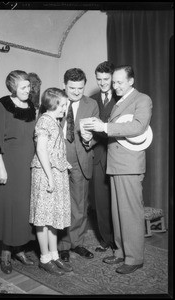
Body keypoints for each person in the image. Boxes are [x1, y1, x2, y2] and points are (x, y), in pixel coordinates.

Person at [82, 65, 152, 274]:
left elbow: (138, 126)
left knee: (130, 213)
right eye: (114, 82)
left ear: (131, 81)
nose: (115, 86)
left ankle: (134, 258)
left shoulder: (142, 99)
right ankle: (121, 252)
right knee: (118, 212)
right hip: (115, 164)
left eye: (120, 82)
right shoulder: (119, 102)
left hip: (129, 164)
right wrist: (91, 135)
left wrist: (104, 127)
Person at [0, 70, 36, 274]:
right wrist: (1, 169)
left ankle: (20, 249)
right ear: (13, 88)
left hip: (28, 165)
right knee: (9, 209)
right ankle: (5, 253)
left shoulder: (32, 107)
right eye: (23, 87)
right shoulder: (2, 106)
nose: (28, 90)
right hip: (8, 165)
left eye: (28, 86)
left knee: (24, 209)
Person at [29, 88, 73, 276]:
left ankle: (54, 255)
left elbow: (54, 148)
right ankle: (44, 258)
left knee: (53, 218)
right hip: (47, 173)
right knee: (43, 220)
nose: (65, 108)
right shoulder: (45, 121)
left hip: (56, 172)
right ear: (54, 104)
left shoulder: (54, 120)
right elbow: (41, 150)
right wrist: (50, 176)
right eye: (63, 105)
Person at [58, 68, 100, 262]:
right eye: (72, 88)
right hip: (58, 161)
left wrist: (88, 140)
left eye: (80, 88)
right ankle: (62, 245)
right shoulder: (54, 101)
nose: (76, 92)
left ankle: (77, 243)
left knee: (80, 206)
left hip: (81, 161)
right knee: (60, 205)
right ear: (64, 85)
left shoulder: (91, 104)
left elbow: (97, 135)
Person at [90, 61, 119, 253]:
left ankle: (119, 243)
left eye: (106, 79)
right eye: (99, 79)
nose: (102, 83)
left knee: (117, 202)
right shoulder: (91, 100)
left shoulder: (122, 97)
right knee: (100, 202)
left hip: (118, 155)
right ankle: (105, 240)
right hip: (98, 156)